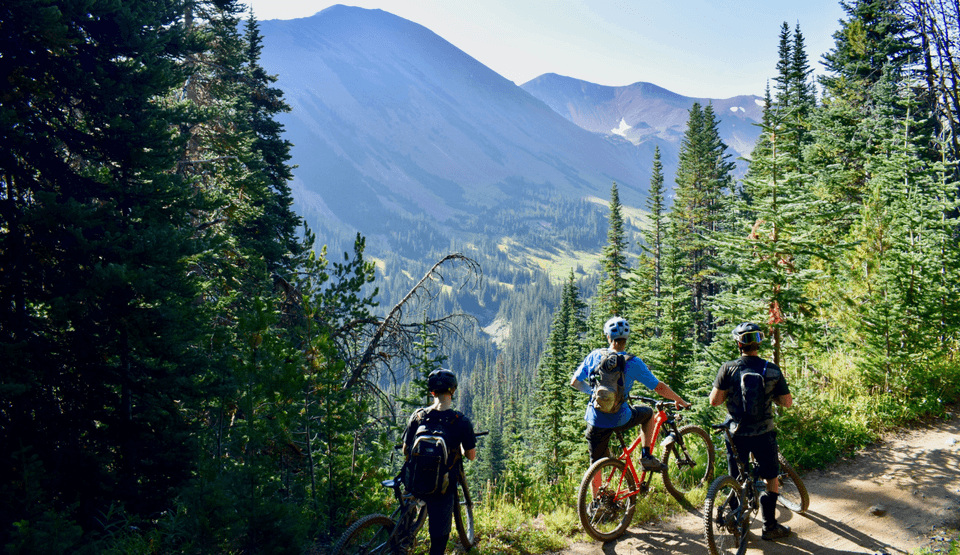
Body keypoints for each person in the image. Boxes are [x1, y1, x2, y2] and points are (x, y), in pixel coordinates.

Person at [570, 316, 691, 470]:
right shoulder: (633, 362)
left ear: (608, 337)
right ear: (626, 339)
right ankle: (646, 456)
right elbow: (658, 386)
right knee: (648, 413)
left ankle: (597, 494)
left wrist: (593, 392)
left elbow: (574, 382)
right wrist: (679, 399)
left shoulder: (594, 356)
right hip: (621, 418)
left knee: (595, 465)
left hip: (595, 418)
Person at [709, 322, 794, 541]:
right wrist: (770, 396)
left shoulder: (728, 368)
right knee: (770, 478)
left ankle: (738, 522)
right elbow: (787, 402)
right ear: (758, 342)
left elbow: (714, 401)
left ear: (738, 344)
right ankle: (770, 526)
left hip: (736, 433)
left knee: (736, 477)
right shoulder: (772, 369)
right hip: (764, 433)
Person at [401, 368, 477, 555]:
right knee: (439, 540)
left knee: (403, 526)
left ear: (431, 392)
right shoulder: (460, 421)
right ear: (452, 391)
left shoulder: (418, 416)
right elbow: (471, 455)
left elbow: (406, 450)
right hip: (441, 488)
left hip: (414, 483)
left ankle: (400, 537)